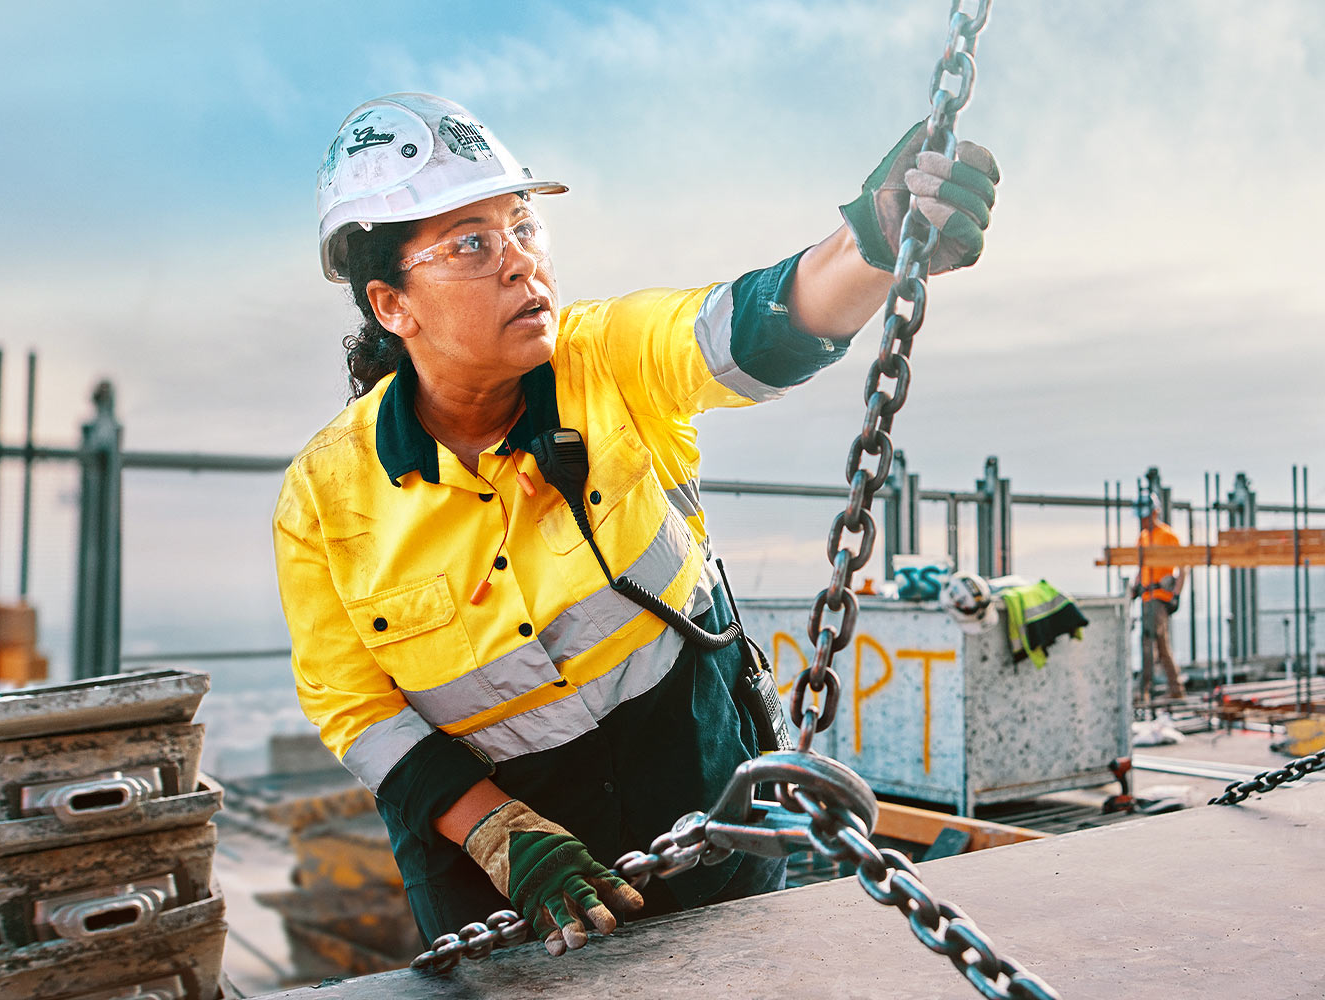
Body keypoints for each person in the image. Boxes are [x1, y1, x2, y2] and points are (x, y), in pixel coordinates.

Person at [275, 93, 999, 954]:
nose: (520, 265)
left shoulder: (609, 363)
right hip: (504, 896)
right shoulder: (324, 499)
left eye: (523, 226)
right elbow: (354, 707)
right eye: (472, 244)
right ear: (392, 305)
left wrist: (872, 245)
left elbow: (752, 324)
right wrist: (502, 835)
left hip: (700, 820)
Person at [1133, 503, 1186, 699]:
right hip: (1147, 596)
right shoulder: (1143, 537)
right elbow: (1141, 569)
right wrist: (1133, 589)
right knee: (1162, 647)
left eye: (1145, 516)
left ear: (1155, 513)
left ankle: (1142, 690)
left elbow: (1182, 566)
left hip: (1159, 597)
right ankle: (1176, 689)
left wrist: (1176, 593)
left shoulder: (1167, 536)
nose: (1142, 521)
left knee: (1147, 642)